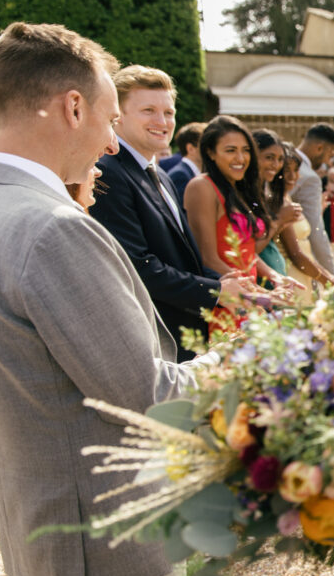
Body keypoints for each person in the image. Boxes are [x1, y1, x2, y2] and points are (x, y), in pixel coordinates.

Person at [0, 21, 205, 576]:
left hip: (46, 519)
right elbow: (147, 394)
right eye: (113, 121)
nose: (113, 145)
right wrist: (251, 360)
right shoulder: (53, 229)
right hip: (109, 539)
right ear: (73, 106)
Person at [89, 66, 237, 361]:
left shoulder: (161, 175)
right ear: (118, 116)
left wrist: (229, 282)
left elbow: (182, 257)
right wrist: (217, 290)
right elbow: (136, 267)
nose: (162, 121)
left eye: (168, 112)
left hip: (185, 336)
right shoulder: (107, 173)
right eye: (148, 110)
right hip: (153, 342)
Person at [183, 116, 295, 310]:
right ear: (210, 152)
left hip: (249, 300)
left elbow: (246, 251)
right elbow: (207, 258)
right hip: (226, 303)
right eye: (230, 151)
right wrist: (260, 294)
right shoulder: (202, 187)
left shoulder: (236, 190)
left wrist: (273, 275)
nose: (241, 159)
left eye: (246, 150)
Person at [278, 145, 334, 293]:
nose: (293, 176)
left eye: (296, 170)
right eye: (286, 171)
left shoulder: (287, 198)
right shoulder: (279, 204)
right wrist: (328, 279)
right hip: (292, 274)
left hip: (305, 274)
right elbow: (295, 254)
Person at [293, 123, 334, 274]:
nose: (328, 162)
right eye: (330, 155)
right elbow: (316, 230)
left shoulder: (282, 159)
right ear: (319, 148)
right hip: (296, 259)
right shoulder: (310, 177)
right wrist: (331, 275)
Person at [252, 128, 300, 277]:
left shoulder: (266, 194)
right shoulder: (243, 196)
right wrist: (279, 220)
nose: (275, 164)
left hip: (275, 277)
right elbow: (250, 250)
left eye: (280, 159)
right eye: (269, 157)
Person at [164, 121, 206, 205]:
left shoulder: (190, 172)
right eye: (205, 145)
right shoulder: (180, 175)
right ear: (190, 149)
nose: (210, 150)